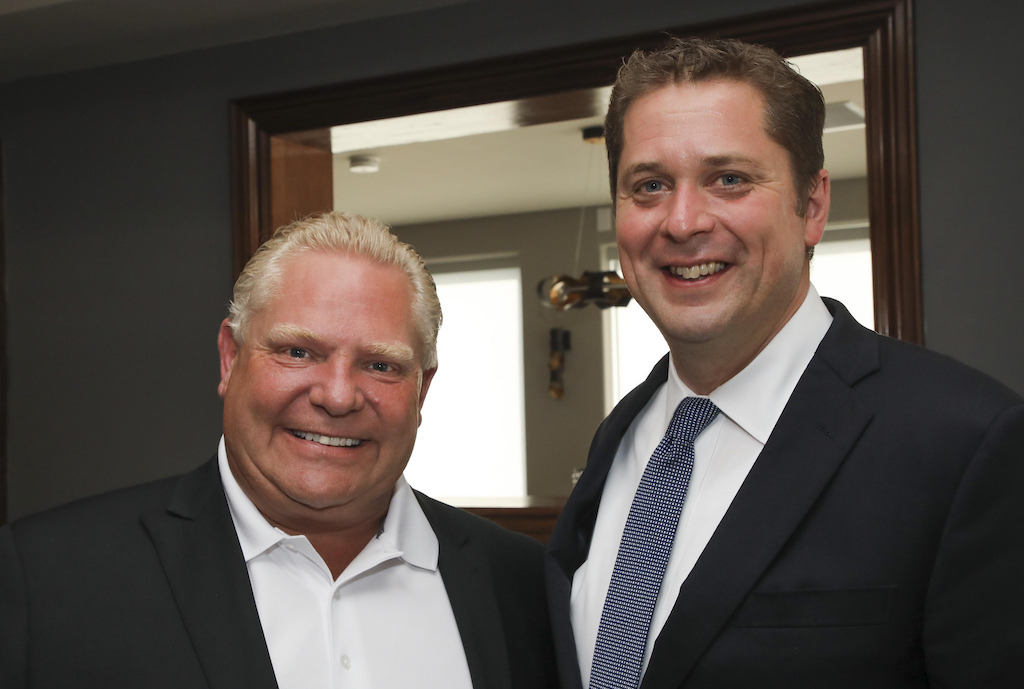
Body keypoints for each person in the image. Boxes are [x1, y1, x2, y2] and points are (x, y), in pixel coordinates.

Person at [546, 36, 1024, 688]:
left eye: (730, 179)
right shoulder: (621, 438)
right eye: (650, 185)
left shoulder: (965, 441)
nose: (683, 221)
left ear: (813, 205)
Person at [1, 211, 558, 688]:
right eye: (298, 351)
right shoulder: (47, 575)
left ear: (422, 389)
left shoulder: (522, 583)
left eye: (380, 364)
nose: (338, 396)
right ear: (229, 358)